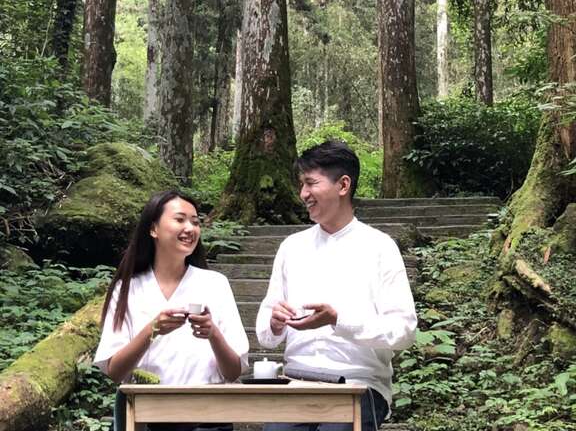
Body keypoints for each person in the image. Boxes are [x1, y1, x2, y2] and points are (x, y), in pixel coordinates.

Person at [256, 140, 417, 431]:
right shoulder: (292, 247)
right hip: (295, 382)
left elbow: (404, 331)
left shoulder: (380, 247)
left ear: (343, 185)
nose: (303, 194)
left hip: (359, 384)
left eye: (311, 183)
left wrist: (338, 320)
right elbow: (266, 336)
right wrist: (275, 322)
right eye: (301, 185)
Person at [94, 189, 249, 431]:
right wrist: (153, 329)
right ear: (153, 229)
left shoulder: (215, 284)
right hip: (148, 417)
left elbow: (233, 372)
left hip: (209, 418)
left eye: (195, 222)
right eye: (180, 219)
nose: (190, 228)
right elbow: (115, 371)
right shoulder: (128, 288)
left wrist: (213, 334)